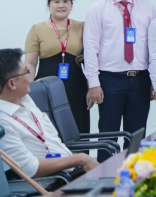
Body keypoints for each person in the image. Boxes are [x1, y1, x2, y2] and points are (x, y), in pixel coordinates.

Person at [83, 0, 156, 162]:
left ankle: (134, 173)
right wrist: (93, 83)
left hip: (140, 79)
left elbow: (154, 47)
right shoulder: (98, 9)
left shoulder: (147, 7)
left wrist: (154, 80)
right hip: (110, 80)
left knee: (136, 134)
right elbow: (90, 48)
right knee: (108, 133)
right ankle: (104, 175)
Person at [0, 48, 98, 178]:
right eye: (26, 72)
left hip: (70, 172)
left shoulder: (26, 99)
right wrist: (80, 159)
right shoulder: (4, 123)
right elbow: (31, 168)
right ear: (12, 83)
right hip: (54, 181)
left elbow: (51, 140)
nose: (29, 77)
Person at [24, 0, 89, 134]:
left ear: (71, 5)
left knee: (78, 128)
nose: (61, 5)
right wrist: (28, 90)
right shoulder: (37, 29)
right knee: (49, 130)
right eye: (56, 1)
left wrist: (91, 88)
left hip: (77, 87)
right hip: (46, 88)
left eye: (66, 1)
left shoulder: (82, 27)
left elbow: (90, 61)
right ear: (48, 5)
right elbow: (30, 63)